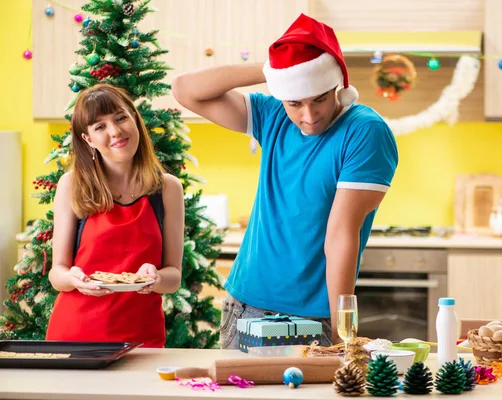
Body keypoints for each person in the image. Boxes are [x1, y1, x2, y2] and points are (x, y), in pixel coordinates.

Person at [172, 14, 398, 349]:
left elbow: (340, 235)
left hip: (312, 319)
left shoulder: (364, 131)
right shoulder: (274, 115)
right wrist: (273, 70)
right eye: (295, 102)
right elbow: (185, 90)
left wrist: (341, 334)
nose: (308, 116)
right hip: (244, 307)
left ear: (337, 84)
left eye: (319, 98)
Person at [46, 84, 184, 348]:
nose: (115, 131)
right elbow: (57, 274)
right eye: (100, 127)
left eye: (121, 118)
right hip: (76, 337)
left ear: (134, 118)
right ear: (88, 139)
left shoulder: (167, 188)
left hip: (142, 340)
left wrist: (156, 278)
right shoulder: (72, 185)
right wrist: (73, 278)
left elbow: (173, 277)